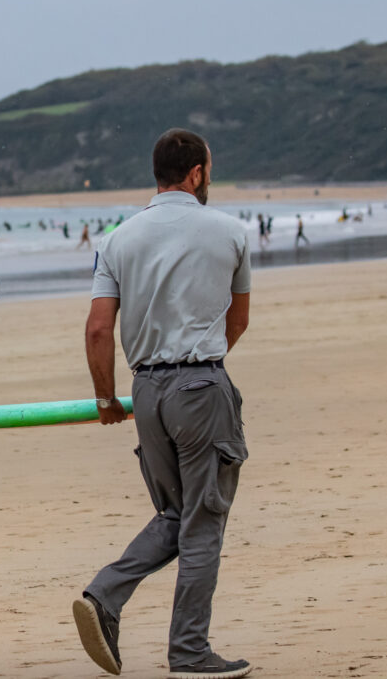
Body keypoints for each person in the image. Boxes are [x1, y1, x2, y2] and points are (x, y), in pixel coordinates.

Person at [76, 129, 252, 678]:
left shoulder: (118, 239)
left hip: (145, 390)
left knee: (176, 515)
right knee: (203, 523)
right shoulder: (230, 232)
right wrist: (197, 361)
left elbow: (99, 330)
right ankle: (190, 653)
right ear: (197, 172)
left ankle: (104, 595)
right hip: (200, 386)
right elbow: (238, 319)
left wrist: (107, 397)